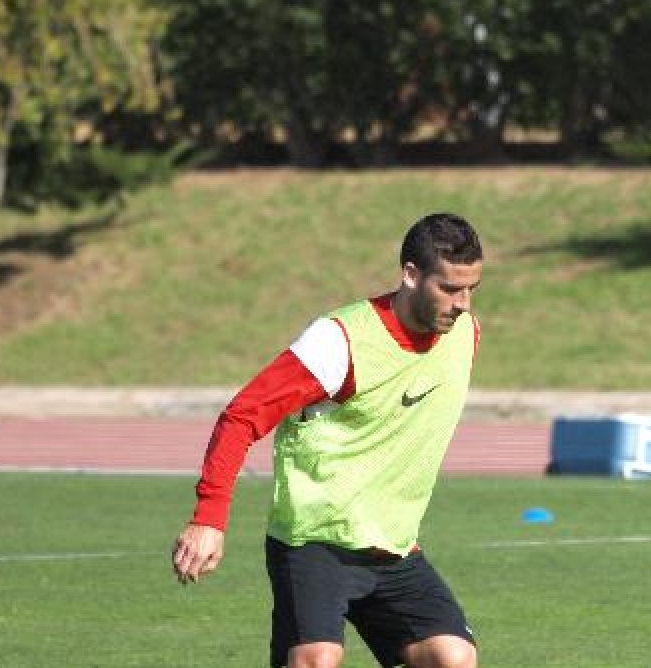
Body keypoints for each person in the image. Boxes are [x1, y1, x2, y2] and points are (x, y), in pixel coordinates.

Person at [172, 213, 483, 668]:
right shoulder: (339, 342)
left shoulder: (464, 336)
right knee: (317, 660)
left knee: (451, 657)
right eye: (450, 288)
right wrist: (208, 518)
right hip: (315, 542)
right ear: (411, 276)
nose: (463, 303)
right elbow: (241, 417)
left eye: (472, 288)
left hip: (392, 547)